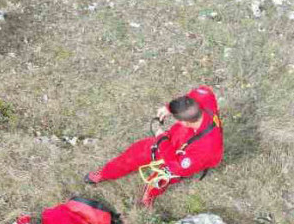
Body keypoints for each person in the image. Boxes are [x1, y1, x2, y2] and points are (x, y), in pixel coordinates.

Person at [85, 85, 223, 206]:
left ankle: (151, 191)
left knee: (164, 176)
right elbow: (203, 91)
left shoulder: (207, 149)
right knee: (135, 154)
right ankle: (105, 173)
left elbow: (178, 168)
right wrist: (170, 108)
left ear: (185, 123)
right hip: (178, 137)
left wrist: (161, 139)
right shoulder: (206, 100)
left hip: (188, 154)